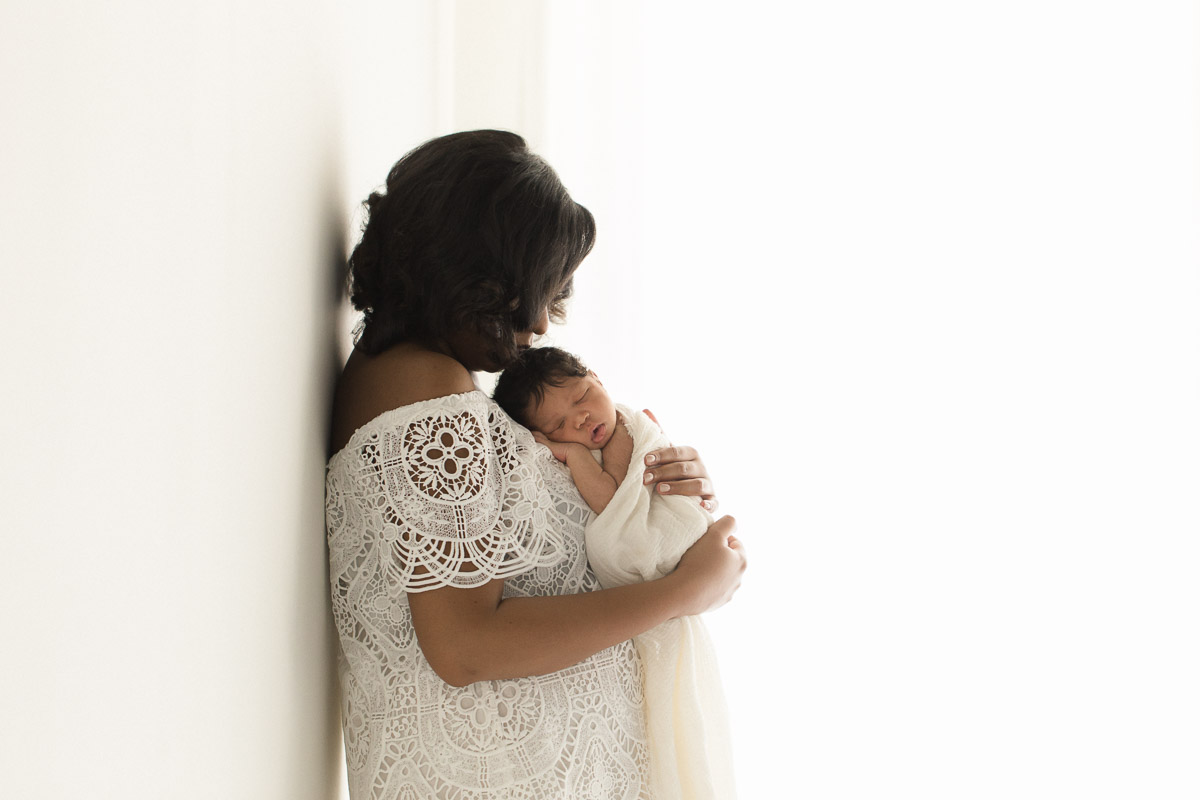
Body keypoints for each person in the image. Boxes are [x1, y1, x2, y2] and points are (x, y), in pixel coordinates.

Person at [326, 129, 746, 800]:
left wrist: (649, 493)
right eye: (537, 293)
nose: (543, 326)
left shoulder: (430, 390)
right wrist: (683, 590)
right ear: (478, 278)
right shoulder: (431, 401)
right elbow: (465, 646)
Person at [493, 346, 736, 799]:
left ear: (598, 378)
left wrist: (572, 454)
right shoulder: (596, 431)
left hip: (670, 529)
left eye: (582, 397)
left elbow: (610, 500)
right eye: (560, 425)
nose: (581, 421)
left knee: (617, 543)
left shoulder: (625, 428)